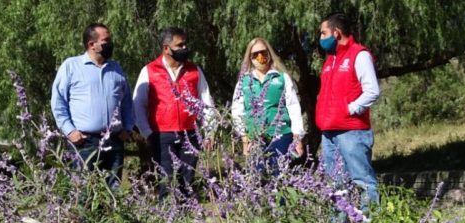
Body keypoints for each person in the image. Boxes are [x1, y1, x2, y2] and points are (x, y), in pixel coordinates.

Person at [133, 27, 216, 199]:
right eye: (180, 45)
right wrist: (147, 133)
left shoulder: (194, 71)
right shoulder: (149, 71)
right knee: (167, 182)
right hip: (161, 136)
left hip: (191, 135)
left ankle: (187, 221)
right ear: (166, 48)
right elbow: (138, 105)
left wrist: (209, 132)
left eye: (185, 44)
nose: (185, 48)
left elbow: (207, 103)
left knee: (188, 182)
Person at [51, 23, 134, 188]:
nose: (110, 44)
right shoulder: (71, 66)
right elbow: (58, 101)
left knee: (113, 193)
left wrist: (128, 127)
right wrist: (69, 131)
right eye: (106, 41)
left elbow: (127, 102)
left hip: (114, 141)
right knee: (84, 192)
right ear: (91, 44)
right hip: (85, 142)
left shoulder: (116, 69)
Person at [316, 13, 380, 206]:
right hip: (328, 132)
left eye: (323, 33)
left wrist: (349, 109)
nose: (321, 38)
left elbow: (372, 91)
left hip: (352, 131)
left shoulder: (359, 55)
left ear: (336, 33)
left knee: (362, 181)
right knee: (336, 184)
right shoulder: (330, 60)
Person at [230, 37, 305, 175]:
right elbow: (237, 109)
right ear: (250, 57)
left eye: (263, 52)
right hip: (254, 137)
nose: (260, 57)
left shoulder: (281, 77)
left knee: (280, 177)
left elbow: (293, 106)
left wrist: (298, 137)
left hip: (281, 135)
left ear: (269, 53)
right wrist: (244, 137)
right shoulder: (244, 81)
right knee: (258, 178)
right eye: (255, 54)